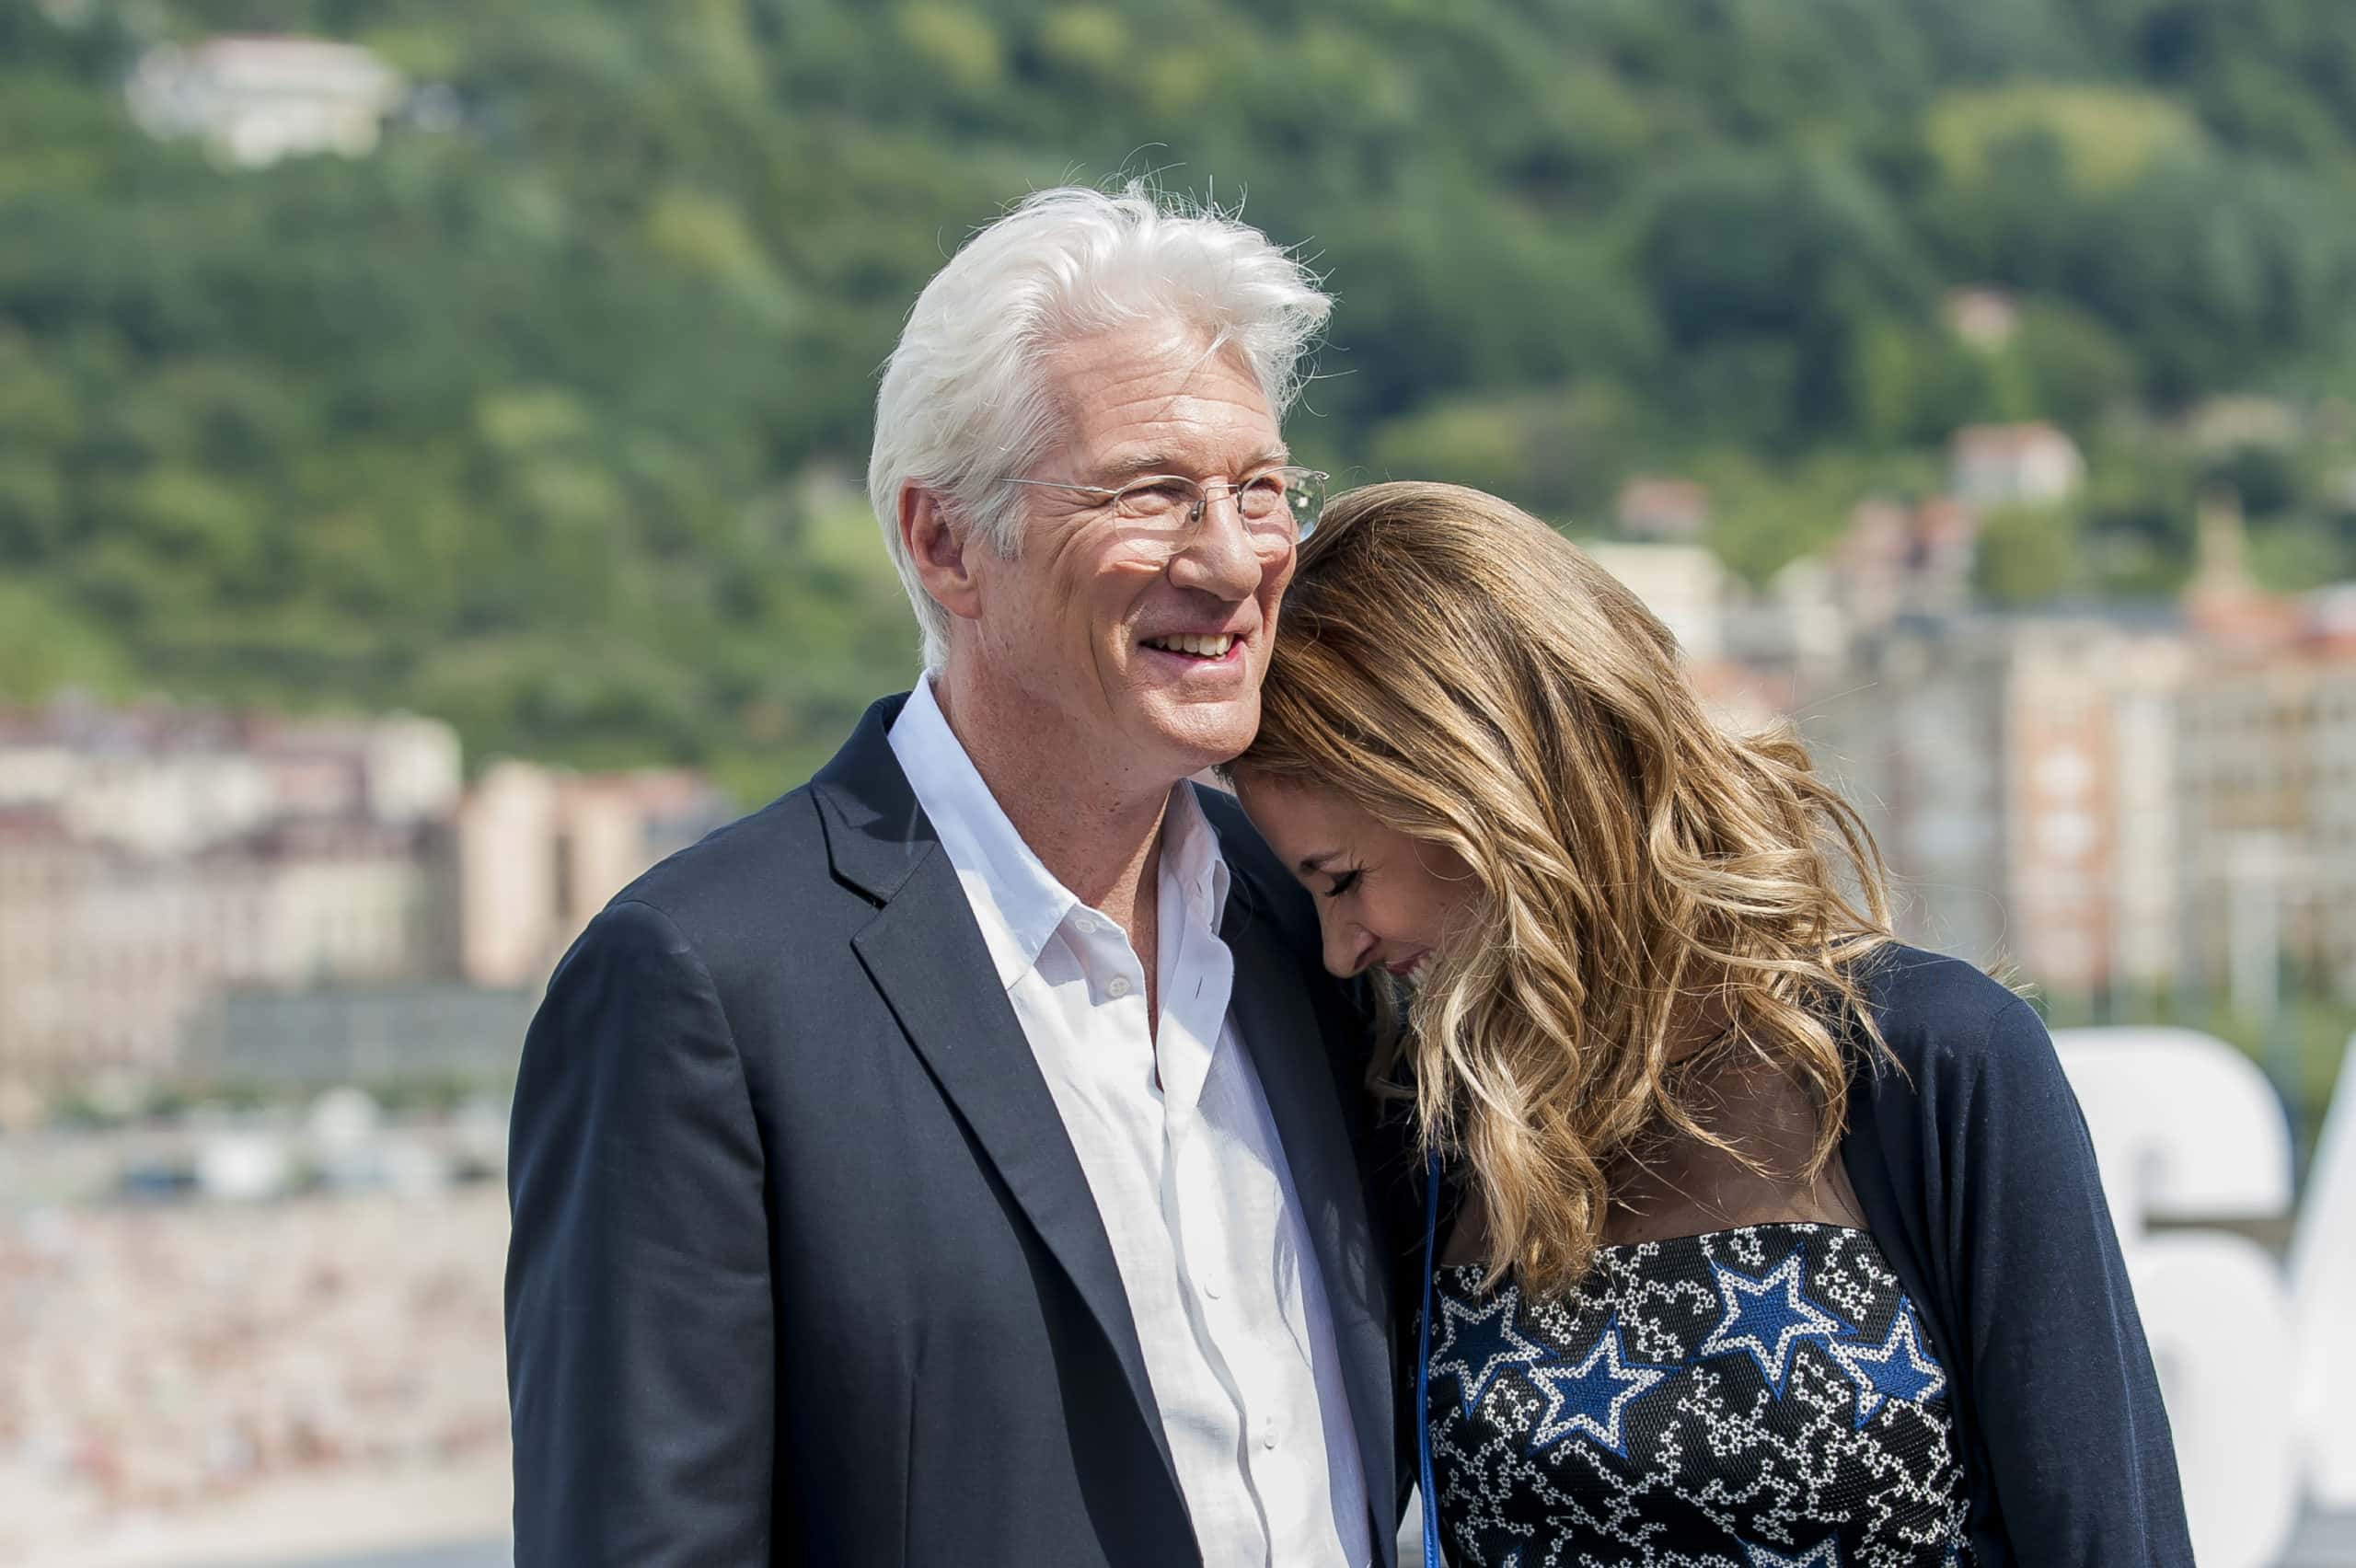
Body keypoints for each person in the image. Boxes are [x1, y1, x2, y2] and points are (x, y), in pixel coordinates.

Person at [503, 187, 1404, 1566]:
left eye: (1259, 489)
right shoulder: (703, 987)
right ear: (943, 544)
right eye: (1153, 492)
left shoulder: (1316, 922)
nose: (1235, 559)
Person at [1231, 481, 2195, 1567]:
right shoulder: (1432, 1126)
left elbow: (2108, 1538)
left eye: (1341, 878)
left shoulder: (1927, 1060)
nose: (1340, 948)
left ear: (1484, 792)